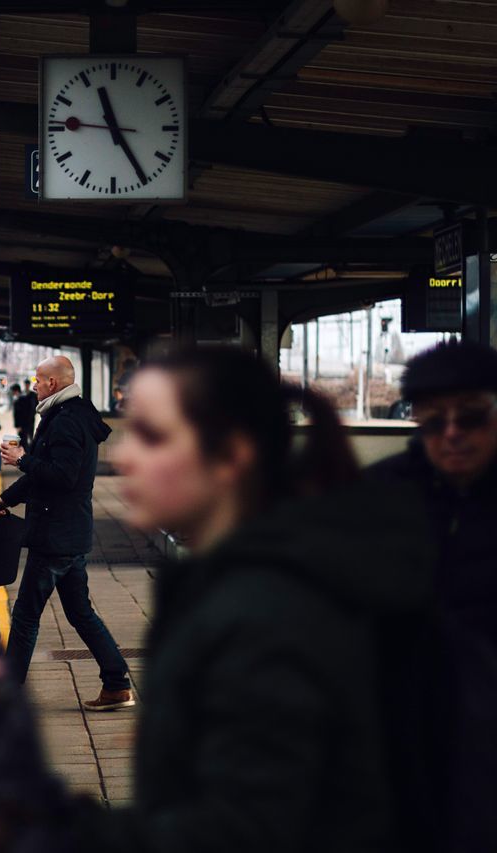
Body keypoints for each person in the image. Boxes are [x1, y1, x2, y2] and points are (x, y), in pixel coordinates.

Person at [66, 347, 430, 852]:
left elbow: (242, 830)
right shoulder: (237, 585)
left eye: (152, 436)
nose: (124, 455)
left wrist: (45, 826)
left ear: (232, 456)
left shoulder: (269, 614)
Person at [368, 340, 497, 852]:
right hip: (400, 737)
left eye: (470, 418)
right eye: (432, 421)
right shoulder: (379, 497)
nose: (451, 435)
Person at [0, 355, 130, 710]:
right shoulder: (73, 414)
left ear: (52, 383)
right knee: (80, 613)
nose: (33, 385)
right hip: (70, 531)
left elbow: (61, 476)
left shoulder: (64, 421)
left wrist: (20, 459)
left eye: (37, 379)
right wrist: (7, 497)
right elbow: (45, 474)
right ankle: (116, 684)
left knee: (24, 615)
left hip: (55, 535)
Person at [14, 379, 37, 450]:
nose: (26, 385)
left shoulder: (32, 395)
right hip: (26, 418)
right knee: (24, 436)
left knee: (30, 435)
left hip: (31, 418)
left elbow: (35, 405)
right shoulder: (24, 395)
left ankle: (30, 449)